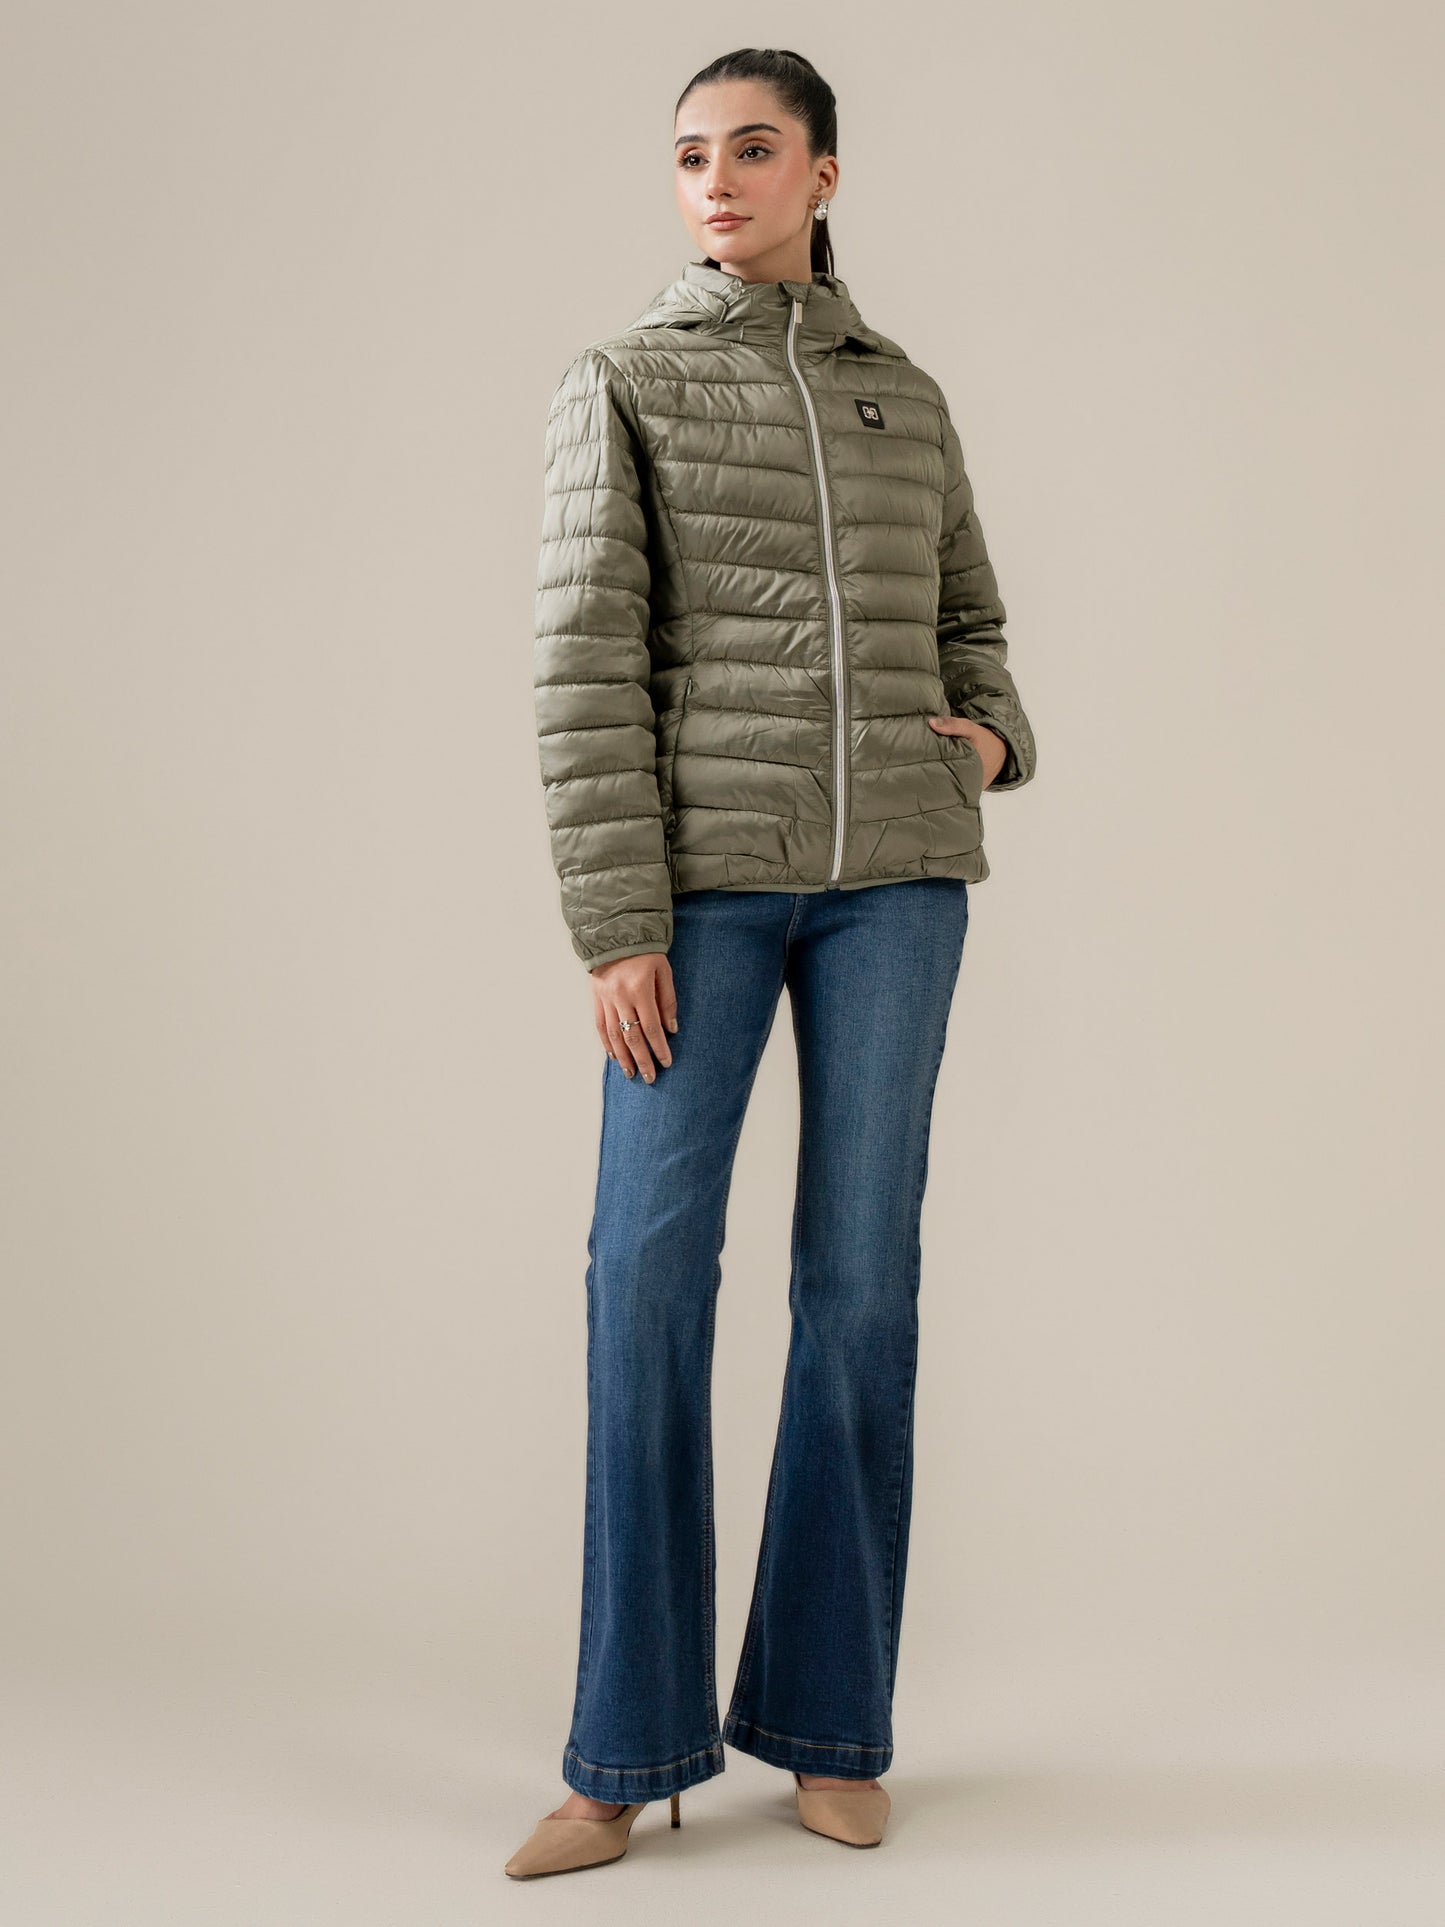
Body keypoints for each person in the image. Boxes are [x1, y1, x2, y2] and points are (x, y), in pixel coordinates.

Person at [506, 45, 1037, 1879]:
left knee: (860, 1289)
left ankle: (825, 1723)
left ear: (824, 173)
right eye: (688, 156)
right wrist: (616, 923)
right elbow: (583, 661)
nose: (716, 182)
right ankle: (619, 1751)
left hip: (897, 891)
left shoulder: (905, 394)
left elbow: (971, 615)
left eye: (751, 150)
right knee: (645, 1276)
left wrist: (987, 737)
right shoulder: (625, 380)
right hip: (702, 895)